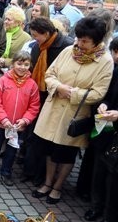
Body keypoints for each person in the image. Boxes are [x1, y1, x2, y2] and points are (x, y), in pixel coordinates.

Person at [32, 15, 113, 204]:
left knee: (66, 153)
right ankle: (47, 182)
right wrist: (58, 87)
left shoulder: (105, 61)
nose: (79, 44)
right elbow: (50, 74)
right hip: (53, 110)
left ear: (97, 42)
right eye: (78, 39)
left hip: (75, 114)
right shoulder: (69, 50)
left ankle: (58, 187)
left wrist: (72, 93)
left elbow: (99, 92)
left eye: (85, 41)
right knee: (51, 150)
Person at [21, 17, 73, 184]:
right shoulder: (38, 47)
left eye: (36, 35)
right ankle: (31, 171)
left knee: (46, 140)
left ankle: (42, 176)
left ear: (47, 33)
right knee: (33, 136)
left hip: (55, 98)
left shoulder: (67, 47)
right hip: (38, 97)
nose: (34, 39)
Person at [0, 51, 40, 186]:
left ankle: (6, 172)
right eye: (19, 63)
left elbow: (34, 106)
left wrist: (25, 120)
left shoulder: (32, 85)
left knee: (12, 149)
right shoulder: (3, 81)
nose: (22, 67)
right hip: (1, 124)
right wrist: (3, 119)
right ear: (13, 63)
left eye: (26, 64)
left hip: (17, 126)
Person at [83, 37, 118, 222]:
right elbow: (103, 90)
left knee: (114, 179)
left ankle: (110, 217)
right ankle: (97, 207)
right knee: (99, 170)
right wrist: (103, 103)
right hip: (105, 128)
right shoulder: (113, 70)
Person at [0, 6, 31, 72]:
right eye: (5, 19)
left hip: (13, 71)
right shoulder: (0, 33)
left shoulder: (26, 38)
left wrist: (5, 61)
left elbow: (24, 58)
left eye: (9, 20)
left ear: (18, 22)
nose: (6, 22)